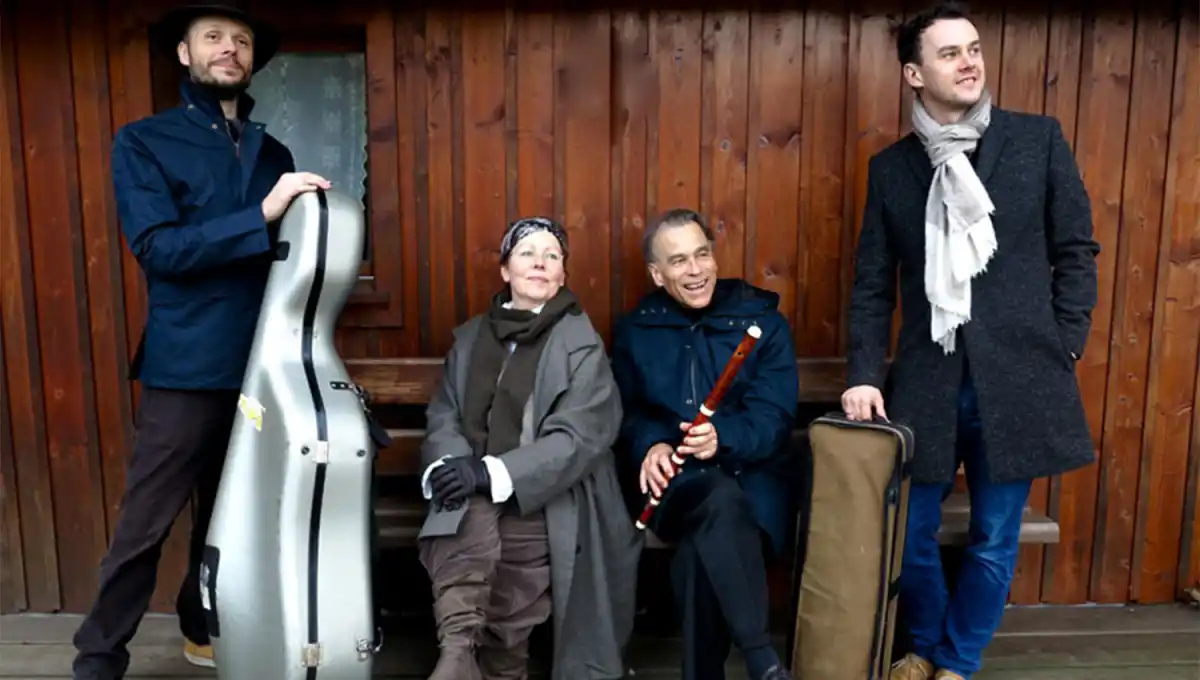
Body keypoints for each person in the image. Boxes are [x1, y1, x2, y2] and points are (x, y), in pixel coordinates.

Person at [71, 4, 332, 679]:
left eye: (241, 40)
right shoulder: (143, 141)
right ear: (185, 55)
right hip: (185, 367)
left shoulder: (274, 152)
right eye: (213, 37)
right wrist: (264, 213)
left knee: (230, 518)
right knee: (145, 525)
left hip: (263, 368)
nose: (229, 49)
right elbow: (159, 249)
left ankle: (200, 628)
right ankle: (97, 660)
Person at [842, 3, 1099, 679]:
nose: (970, 62)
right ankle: (923, 645)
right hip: (929, 378)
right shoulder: (892, 169)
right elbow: (872, 283)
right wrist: (865, 371)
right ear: (913, 73)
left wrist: (1065, 340)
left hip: (1019, 376)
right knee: (911, 536)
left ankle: (957, 661)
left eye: (974, 49)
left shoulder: (1037, 139)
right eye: (950, 53)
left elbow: (1076, 249)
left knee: (992, 539)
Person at [415, 217, 642, 680]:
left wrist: (492, 474)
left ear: (562, 276)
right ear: (505, 270)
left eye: (552, 256)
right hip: (476, 484)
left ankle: (466, 659)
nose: (540, 262)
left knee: (501, 545)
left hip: (551, 493)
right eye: (526, 253)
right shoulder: (471, 338)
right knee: (467, 514)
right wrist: (450, 463)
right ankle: (463, 654)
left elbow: (579, 437)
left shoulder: (582, 344)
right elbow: (446, 413)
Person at [610, 208, 799, 680]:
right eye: (678, 262)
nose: (695, 271)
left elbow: (774, 419)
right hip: (675, 485)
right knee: (714, 500)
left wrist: (723, 437)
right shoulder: (636, 331)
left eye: (701, 255)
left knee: (704, 543)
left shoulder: (764, 323)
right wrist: (651, 445)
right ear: (657, 273)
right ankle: (762, 658)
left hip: (753, 483)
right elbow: (624, 414)